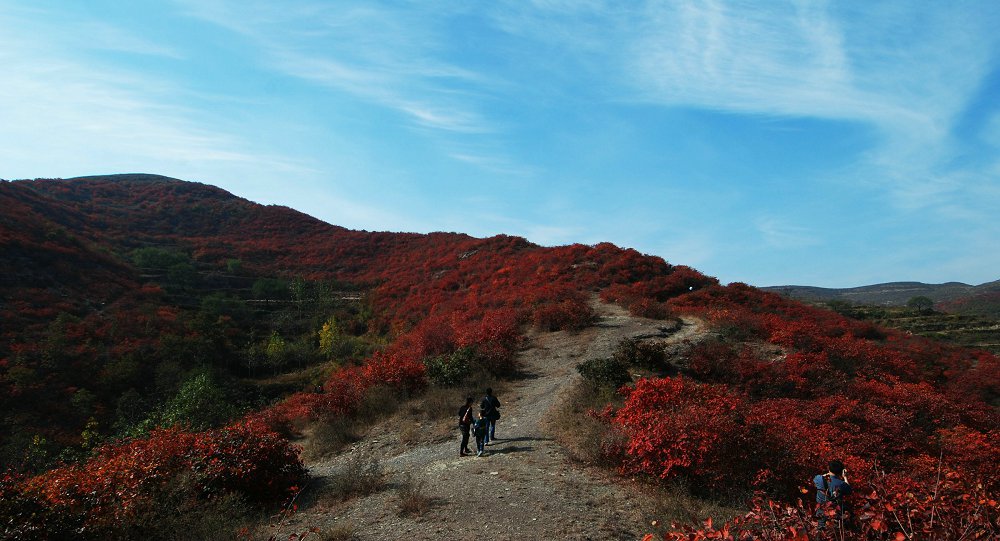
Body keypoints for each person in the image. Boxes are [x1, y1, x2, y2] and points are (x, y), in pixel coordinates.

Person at [814, 459, 852, 530]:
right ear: (841, 471)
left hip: (821, 511)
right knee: (835, 532)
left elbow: (816, 479)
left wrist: (826, 475)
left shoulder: (819, 479)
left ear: (829, 468)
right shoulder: (841, 484)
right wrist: (845, 477)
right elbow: (849, 490)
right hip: (835, 512)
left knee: (821, 531)